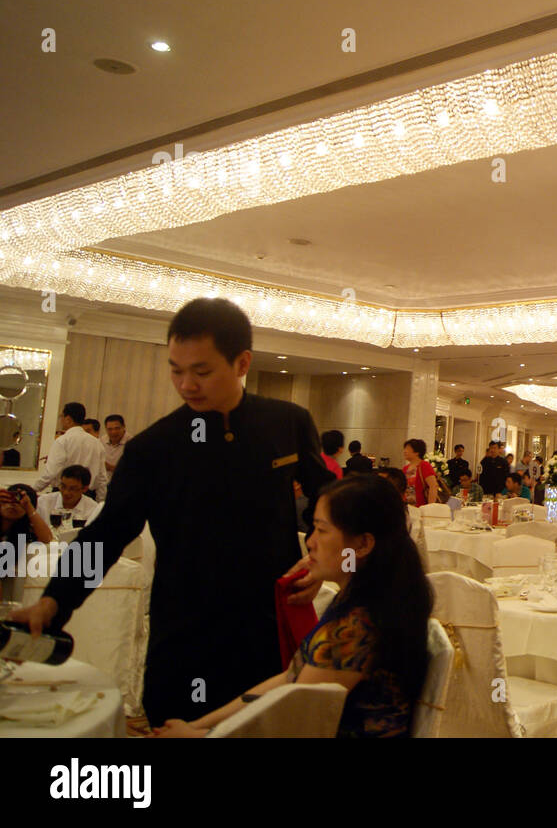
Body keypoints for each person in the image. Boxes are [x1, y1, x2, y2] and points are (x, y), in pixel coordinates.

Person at [10, 298, 336, 726]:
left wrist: (318, 562)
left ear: (242, 362)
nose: (186, 384)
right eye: (175, 369)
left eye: (201, 371)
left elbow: (328, 499)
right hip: (186, 632)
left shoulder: (287, 422)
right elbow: (108, 533)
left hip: (267, 623)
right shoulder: (153, 448)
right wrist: (54, 602)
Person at [155, 474, 433, 738]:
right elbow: (290, 679)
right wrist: (198, 726)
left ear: (362, 544)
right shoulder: (370, 595)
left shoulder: (355, 629)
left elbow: (291, 720)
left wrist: (199, 735)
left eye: (322, 530)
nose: (310, 542)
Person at [33, 402, 108, 499]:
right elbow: (102, 478)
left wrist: (32, 489)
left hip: (64, 494)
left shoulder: (63, 441)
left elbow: (51, 472)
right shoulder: (96, 443)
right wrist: (100, 502)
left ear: (68, 419)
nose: (61, 420)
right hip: (88, 495)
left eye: (61, 417)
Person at [1, 485, 52, 601]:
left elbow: (47, 538)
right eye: (9, 500)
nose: (12, 505)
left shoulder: (25, 531)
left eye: (18, 502)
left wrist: (28, 507)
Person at [35, 465, 102, 528]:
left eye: (72, 489)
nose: (66, 492)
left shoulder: (92, 509)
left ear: (84, 489)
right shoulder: (43, 502)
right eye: (63, 486)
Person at [401, 439, 437, 506]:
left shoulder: (424, 465)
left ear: (417, 452)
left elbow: (433, 486)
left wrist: (430, 506)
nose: (404, 451)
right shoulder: (405, 468)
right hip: (406, 506)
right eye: (404, 449)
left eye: (408, 449)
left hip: (421, 507)